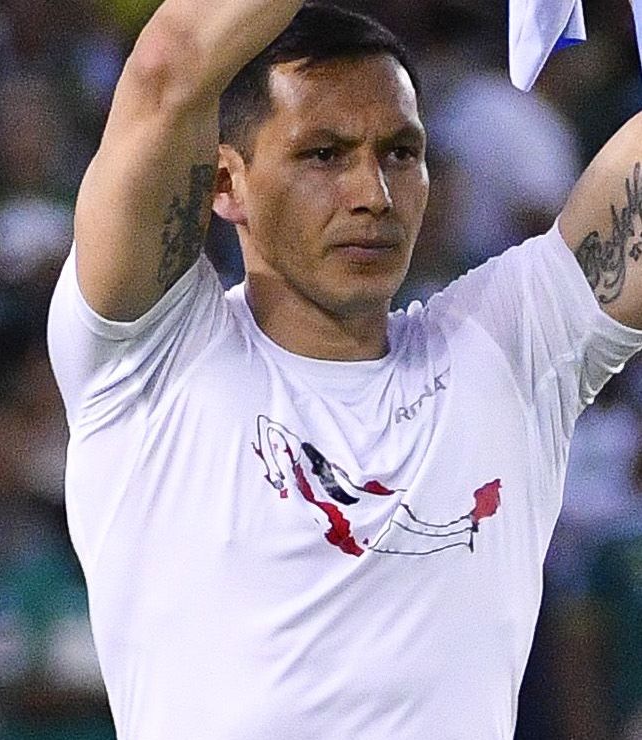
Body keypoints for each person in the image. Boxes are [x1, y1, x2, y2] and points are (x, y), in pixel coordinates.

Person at [46, 1, 642, 738]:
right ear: (225, 182)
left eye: (400, 153)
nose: (373, 196)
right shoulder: (150, 356)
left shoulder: (509, 356)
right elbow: (171, 66)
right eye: (324, 155)